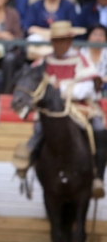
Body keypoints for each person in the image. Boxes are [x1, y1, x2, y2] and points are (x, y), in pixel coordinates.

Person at [15, 21, 106, 198]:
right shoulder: (44, 61)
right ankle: (28, 164)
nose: (60, 44)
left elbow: (88, 87)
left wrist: (60, 90)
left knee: (99, 130)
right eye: (56, 40)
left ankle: (98, 176)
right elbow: (33, 82)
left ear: (70, 40)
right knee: (40, 129)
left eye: (63, 40)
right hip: (51, 111)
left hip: (80, 108)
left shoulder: (81, 59)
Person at [80, 24, 107, 94]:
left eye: (101, 35)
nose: (98, 38)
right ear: (88, 37)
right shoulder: (82, 53)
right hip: (85, 86)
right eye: (94, 34)